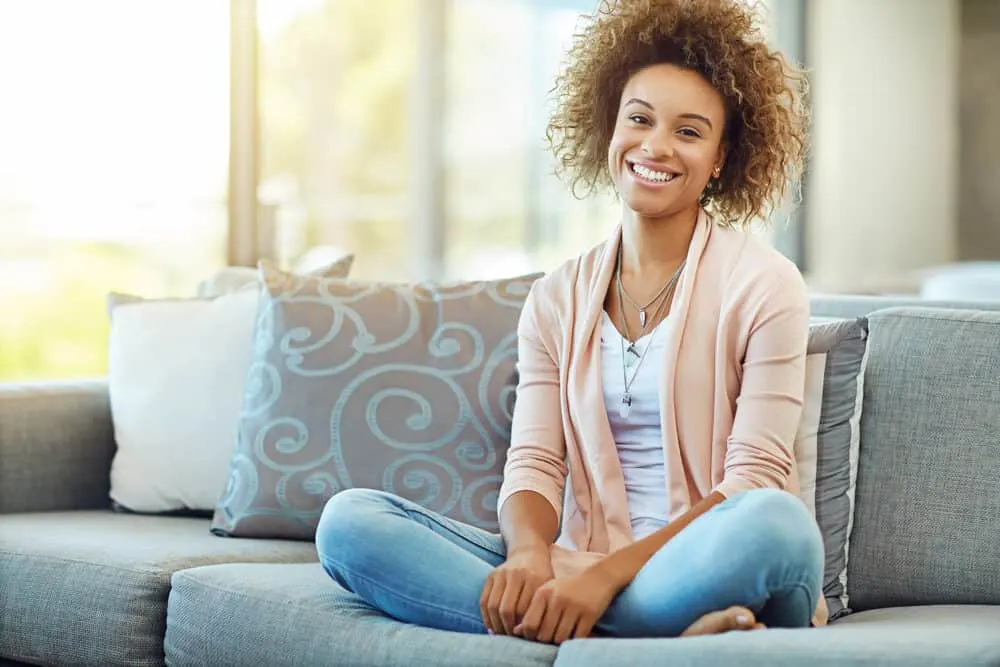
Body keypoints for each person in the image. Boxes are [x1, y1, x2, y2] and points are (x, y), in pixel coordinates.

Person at [315, 0, 825, 645]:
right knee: (351, 522)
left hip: (704, 561)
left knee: (775, 524)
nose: (656, 146)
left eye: (690, 132)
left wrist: (605, 578)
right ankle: (649, 633)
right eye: (638, 119)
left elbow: (751, 478)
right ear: (609, 128)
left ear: (723, 157)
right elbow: (534, 460)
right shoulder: (556, 297)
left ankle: (596, 622)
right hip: (573, 563)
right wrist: (529, 554)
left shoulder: (765, 284)